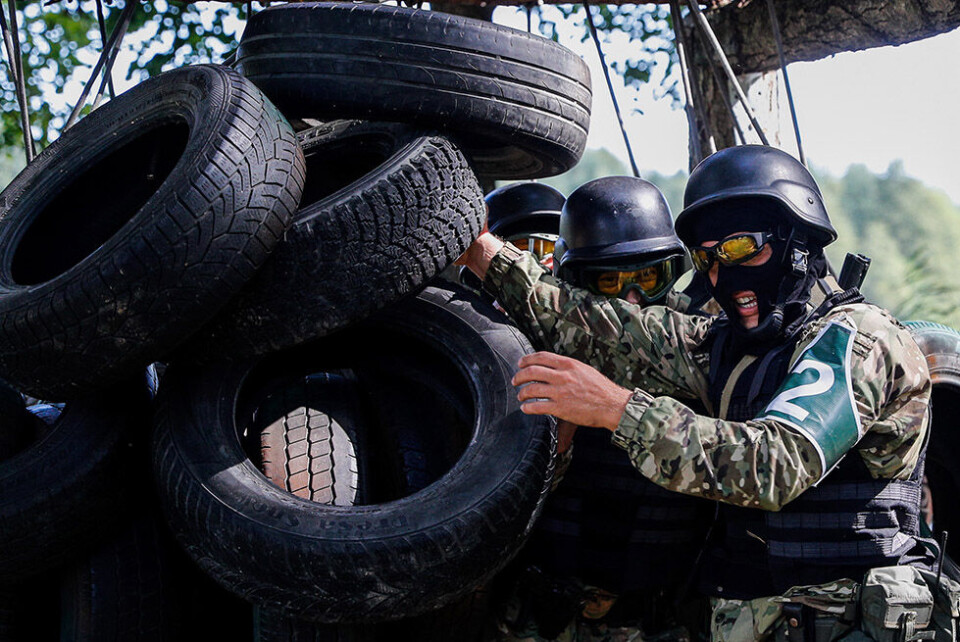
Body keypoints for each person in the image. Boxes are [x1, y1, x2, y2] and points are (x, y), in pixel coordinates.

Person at [460, 146, 947, 641]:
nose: (725, 275)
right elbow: (596, 326)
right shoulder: (727, 348)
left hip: (843, 623)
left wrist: (616, 408)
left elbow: (774, 464)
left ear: (796, 239)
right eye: (708, 259)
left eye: (740, 248)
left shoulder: (858, 339)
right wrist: (478, 247)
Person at [494, 176, 711, 642]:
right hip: (545, 614)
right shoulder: (528, 344)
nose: (632, 300)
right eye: (611, 281)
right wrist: (559, 441)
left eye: (648, 279)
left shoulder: (697, 344)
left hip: (661, 618)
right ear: (577, 281)